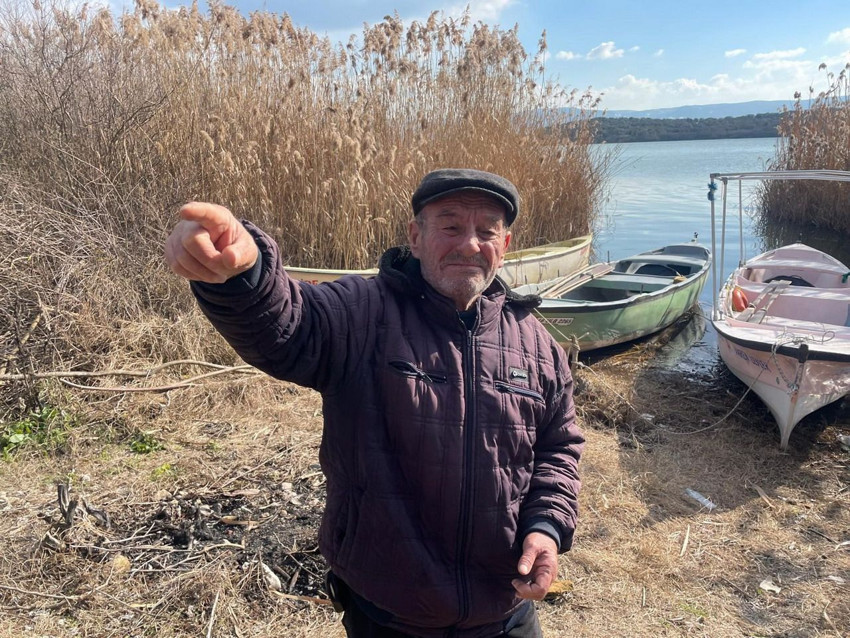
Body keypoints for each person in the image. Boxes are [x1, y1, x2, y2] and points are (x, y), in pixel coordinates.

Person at [165, 168, 584, 637]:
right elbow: (289, 325)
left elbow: (558, 446)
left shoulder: (536, 344)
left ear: (504, 245)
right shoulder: (363, 312)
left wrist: (546, 526)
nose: (469, 244)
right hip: (389, 614)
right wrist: (244, 276)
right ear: (416, 236)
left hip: (506, 610)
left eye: (486, 231)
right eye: (450, 226)